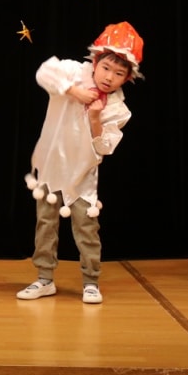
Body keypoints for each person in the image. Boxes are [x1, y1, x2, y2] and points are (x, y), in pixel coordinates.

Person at [17, 22, 144, 305]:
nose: (109, 77)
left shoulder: (117, 108)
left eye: (119, 74)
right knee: (45, 224)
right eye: (106, 68)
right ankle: (44, 279)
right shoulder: (73, 72)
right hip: (51, 166)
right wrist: (73, 91)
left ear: (127, 78)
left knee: (87, 230)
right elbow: (44, 72)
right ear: (95, 62)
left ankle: (90, 282)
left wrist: (95, 118)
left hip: (82, 175)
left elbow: (104, 148)